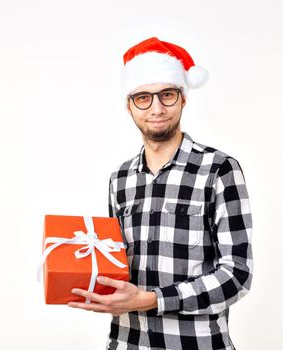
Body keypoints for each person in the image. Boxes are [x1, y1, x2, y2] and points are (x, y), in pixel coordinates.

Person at [68, 37, 253, 350]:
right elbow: (114, 264)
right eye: (143, 97)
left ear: (183, 98)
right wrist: (69, 268)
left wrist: (152, 300)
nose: (156, 108)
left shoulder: (218, 169)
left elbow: (237, 275)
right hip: (127, 343)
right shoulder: (120, 179)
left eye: (166, 94)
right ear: (129, 106)